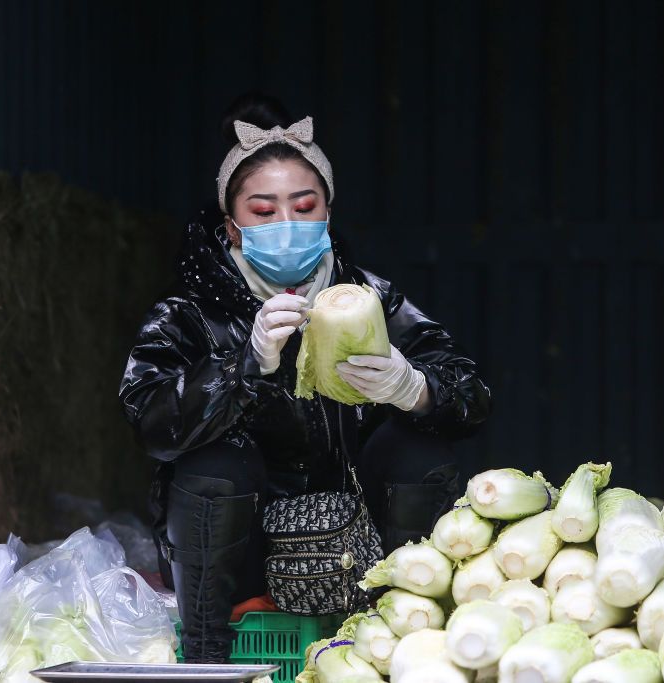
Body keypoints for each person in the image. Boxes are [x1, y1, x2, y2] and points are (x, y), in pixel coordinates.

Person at [119, 94, 491, 663]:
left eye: (304, 205)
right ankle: (208, 654)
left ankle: (408, 633)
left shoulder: (373, 299)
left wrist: (414, 388)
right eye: (263, 212)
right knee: (214, 461)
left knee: (415, 446)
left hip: (354, 543)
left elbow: (471, 394)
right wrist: (244, 366)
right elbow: (150, 420)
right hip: (239, 553)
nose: (286, 224)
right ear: (234, 227)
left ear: (328, 214)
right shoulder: (187, 315)